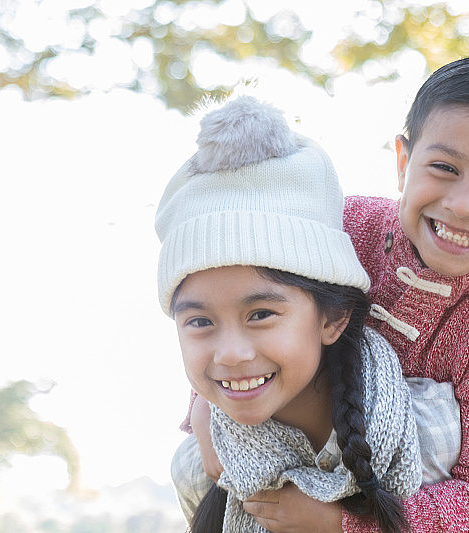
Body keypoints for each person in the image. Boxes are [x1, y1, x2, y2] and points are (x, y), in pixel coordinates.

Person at [174, 54, 469, 532]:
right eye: (444, 167)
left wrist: (345, 524)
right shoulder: (344, 227)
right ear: (403, 162)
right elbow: (226, 300)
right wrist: (202, 407)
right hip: (332, 444)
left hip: (457, 494)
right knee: (192, 460)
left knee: (439, 421)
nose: (462, 205)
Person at [154, 95, 424, 532]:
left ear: (333, 318)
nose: (231, 353)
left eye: (260, 314)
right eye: (200, 322)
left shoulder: (430, 428)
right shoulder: (198, 469)